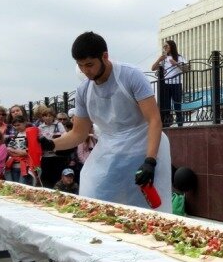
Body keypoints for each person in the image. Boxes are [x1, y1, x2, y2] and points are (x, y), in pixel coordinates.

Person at [39, 31, 172, 212]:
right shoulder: (83, 91)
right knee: (95, 195)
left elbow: (154, 120)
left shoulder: (131, 76)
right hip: (111, 150)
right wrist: (51, 145)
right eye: (81, 66)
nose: (86, 71)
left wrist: (150, 161)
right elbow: (79, 133)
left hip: (144, 147)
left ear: (105, 56)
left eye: (90, 64)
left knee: (148, 210)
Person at [151, 39, 186, 127]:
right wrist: (159, 59)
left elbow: (186, 69)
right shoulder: (163, 59)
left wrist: (176, 63)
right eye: (164, 46)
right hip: (166, 84)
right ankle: (166, 124)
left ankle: (180, 124)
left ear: (172, 46)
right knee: (166, 106)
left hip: (176, 84)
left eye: (166, 46)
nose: (165, 48)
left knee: (177, 105)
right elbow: (153, 68)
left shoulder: (179, 57)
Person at [37, 108, 68, 188]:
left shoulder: (58, 124)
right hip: (45, 156)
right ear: (42, 117)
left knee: (57, 176)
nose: (48, 117)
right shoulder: (40, 127)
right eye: (45, 116)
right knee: (46, 177)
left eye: (50, 116)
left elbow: (64, 134)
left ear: (53, 116)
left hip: (56, 155)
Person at [5, 116, 33, 185]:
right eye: (15, 126)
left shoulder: (29, 134)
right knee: (14, 185)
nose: (17, 127)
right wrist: (20, 153)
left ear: (24, 123)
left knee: (22, 185)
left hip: (25, 166)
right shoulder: (15, 136)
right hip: (14, 165)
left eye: (19, 125)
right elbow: (9, 149)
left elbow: (29, 151)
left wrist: (16, 152)